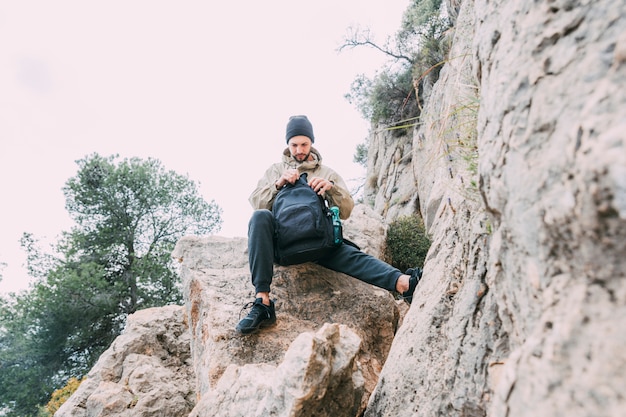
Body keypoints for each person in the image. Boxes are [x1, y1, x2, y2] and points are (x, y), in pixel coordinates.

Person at [236, 115, 423, 334]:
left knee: (350, 254)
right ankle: (263, 303)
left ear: (311, 143)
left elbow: (346, 210)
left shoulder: (327, 173)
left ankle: (404, 283)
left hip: (319, 243)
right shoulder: (275, 171)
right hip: (284, 247)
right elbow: (256, 202)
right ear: (287, 145)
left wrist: (331, 188)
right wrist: (278, 184)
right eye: (294, 145)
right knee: (260, 217)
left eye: (304, 144)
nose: (299, 150)